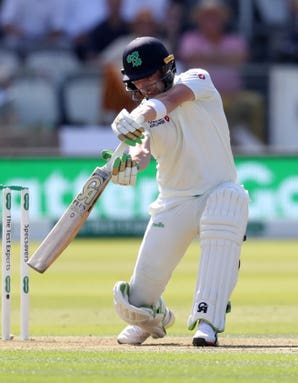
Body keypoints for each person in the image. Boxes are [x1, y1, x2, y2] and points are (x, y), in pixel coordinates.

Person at [107, 36, 250, 347]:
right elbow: (142, 152)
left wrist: (139, 115)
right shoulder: (144, 114)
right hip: (173, 202)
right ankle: (151, 316)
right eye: (137, 80)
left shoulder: (197, 80)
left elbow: (170, 102)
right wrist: (129, 165)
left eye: (149, 76)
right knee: (138, 296)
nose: (144, 85)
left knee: (230, 199)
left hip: (216, 192)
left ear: (166, 68)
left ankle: (207, 322)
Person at [177, 0, 265, 148]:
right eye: (207, 16)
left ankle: (259, 151)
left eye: (215, 16)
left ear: (223, 19)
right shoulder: (190, 39)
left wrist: (206, 57)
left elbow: (240, 57)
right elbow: (189, 56)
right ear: (199, 19)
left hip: (234, 96)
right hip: (199, 98)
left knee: (255, 102)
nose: (211, 20)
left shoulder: (234, 40)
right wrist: (224, 57)